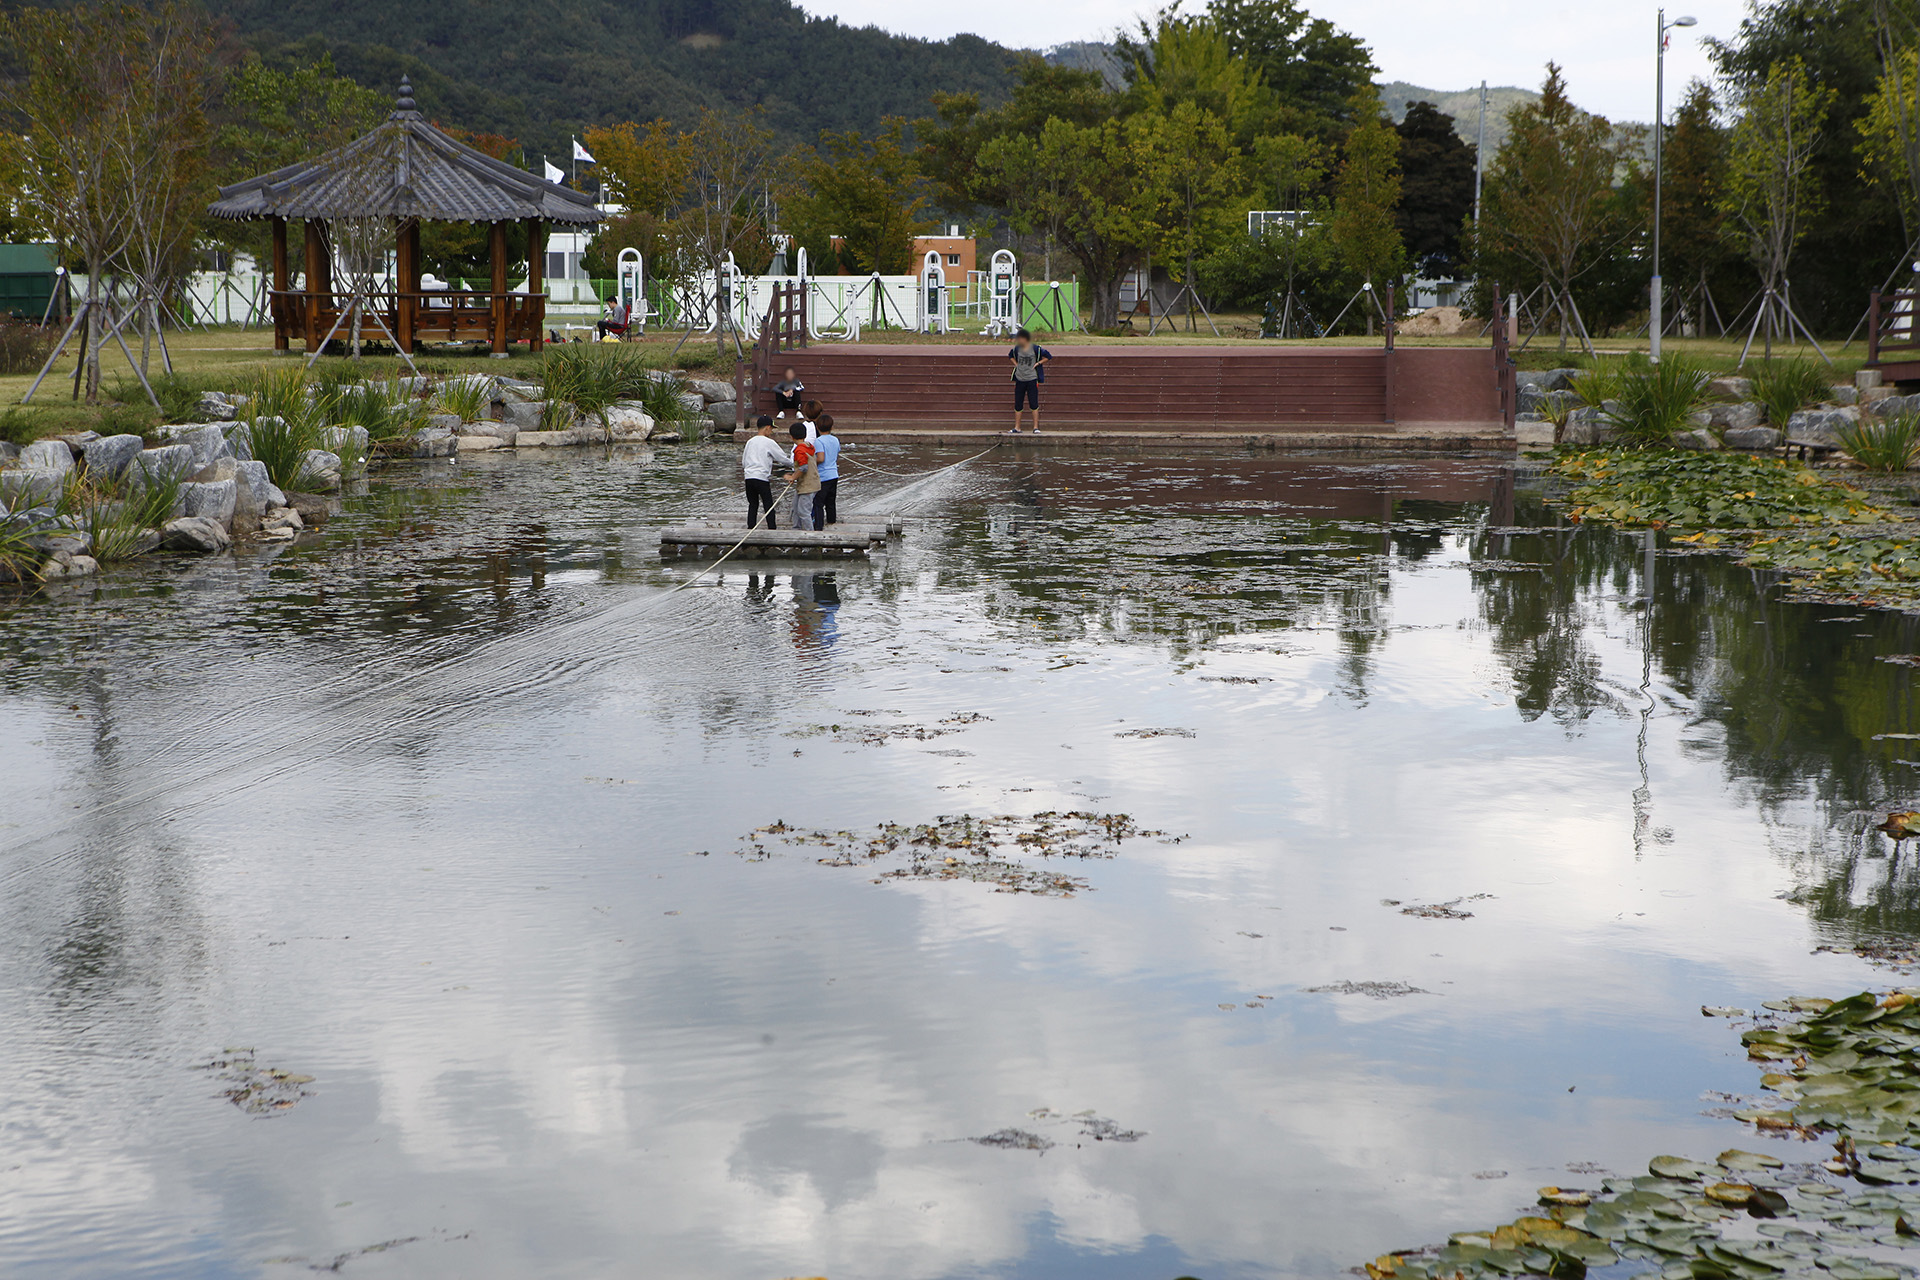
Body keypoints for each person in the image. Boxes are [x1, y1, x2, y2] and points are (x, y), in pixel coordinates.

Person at [742, 415, 788, 529]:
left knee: (753, 504)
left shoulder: (750, 442)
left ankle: (751, 527)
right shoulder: (769, 442)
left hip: (749, 477)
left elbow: (744, 461)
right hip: (761, 477)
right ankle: (772, 528)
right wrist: (796, 464)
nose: (771, 432)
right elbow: (782, 458)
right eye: (771, 429)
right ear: (767, 427)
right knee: (768, 504)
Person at [1007, 328, 1050, 434]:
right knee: (1018, 403)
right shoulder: (1017, 349)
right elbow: (1010, 355)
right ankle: (1017, 427)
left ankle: (1035, 427)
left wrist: (1038, 363)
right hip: (1020, 379)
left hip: (1032, 379)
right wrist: (1016, 365)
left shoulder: (1035, 348)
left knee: (1033, 403)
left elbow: (1048, 356)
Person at [788, 423, 821, 530]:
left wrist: (793, 477)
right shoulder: (809, 446)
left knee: (803, 511)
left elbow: (803, 468)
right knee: (795, 507)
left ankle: (810, 535)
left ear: (792, 437)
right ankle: (796, 529)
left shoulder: (800, 450)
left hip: (808, 486)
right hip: (807, 484)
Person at [811, 415, 840, 529]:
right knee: (831, 501)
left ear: (817, 427)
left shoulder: (818, 441)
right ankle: (832, 522)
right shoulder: (835, 440)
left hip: (823, 476)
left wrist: (811, 461)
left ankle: (818, 526)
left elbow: (821, 458)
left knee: (818, 502)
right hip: (834, 474)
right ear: (832, 427)